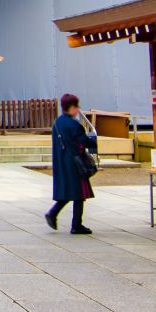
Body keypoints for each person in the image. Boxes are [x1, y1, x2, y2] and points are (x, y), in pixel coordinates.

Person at [45, 93, 98, 235]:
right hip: (75, 162)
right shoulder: (74, 125)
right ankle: (76, 224)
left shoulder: (58, 123)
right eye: (76, 106)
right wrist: (93, 141)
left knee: (70, 192)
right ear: (71, 107)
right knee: (79, 193)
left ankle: (53, 213)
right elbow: (83, 141)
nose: (78, 109)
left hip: (62, 161)